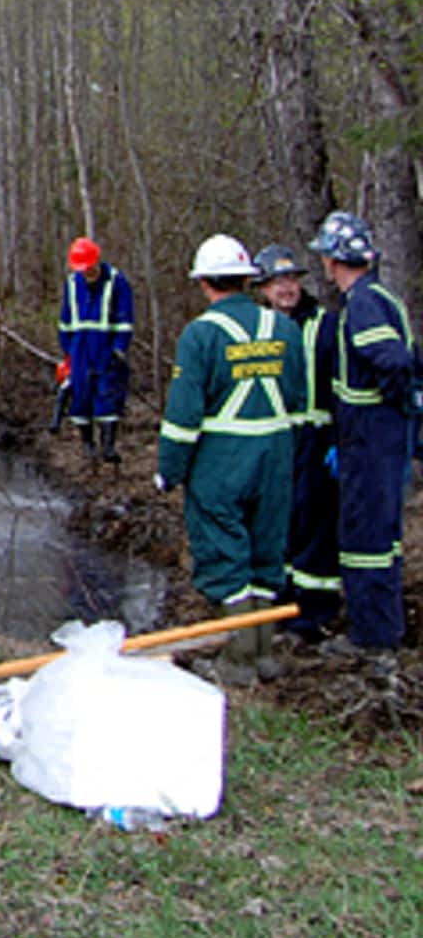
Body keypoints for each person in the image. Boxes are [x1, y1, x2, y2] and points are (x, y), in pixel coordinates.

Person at [157, 234, 305, 684]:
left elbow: (183, 416)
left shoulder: (200, 335)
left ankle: (238, 661)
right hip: (276, 458)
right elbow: (298, 397)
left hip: (221, 463)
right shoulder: (284, 328)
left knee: (226, 555)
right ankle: (263, 654)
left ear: (204, 284)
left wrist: (170, 470)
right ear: (247, 279)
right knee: (266, 554)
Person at [307, 211, 414, 672]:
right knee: (381, 538)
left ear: (334, 261)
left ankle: (372, 639)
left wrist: (390, 404)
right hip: (376, 439)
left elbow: (392, 360)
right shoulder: (381, 297)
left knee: (365, 540)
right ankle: (385, 627)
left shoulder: (365, 304)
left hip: (370, 442)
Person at [251, 243, 342, 645]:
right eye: (277, 281)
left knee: (315, 523)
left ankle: (315, 615)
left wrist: (340, 439)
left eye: (291, 280)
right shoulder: (257, 327)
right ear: (263, 288)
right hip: (274, 440)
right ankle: (281, 605)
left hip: (317, 438)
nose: (286, 288)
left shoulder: (325, 325)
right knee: (278, 523)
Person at [57, 236, 134, 462]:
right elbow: (65, 322)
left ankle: (108, 446)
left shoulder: (117, 281)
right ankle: (88, 445)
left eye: (89, 268)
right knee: (80, 398)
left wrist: (120, 348)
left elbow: (125, 319)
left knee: (108, 395)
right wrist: (68, 352)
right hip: (80, 349)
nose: (86, 272)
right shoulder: (72, 284)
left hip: (106, 349)